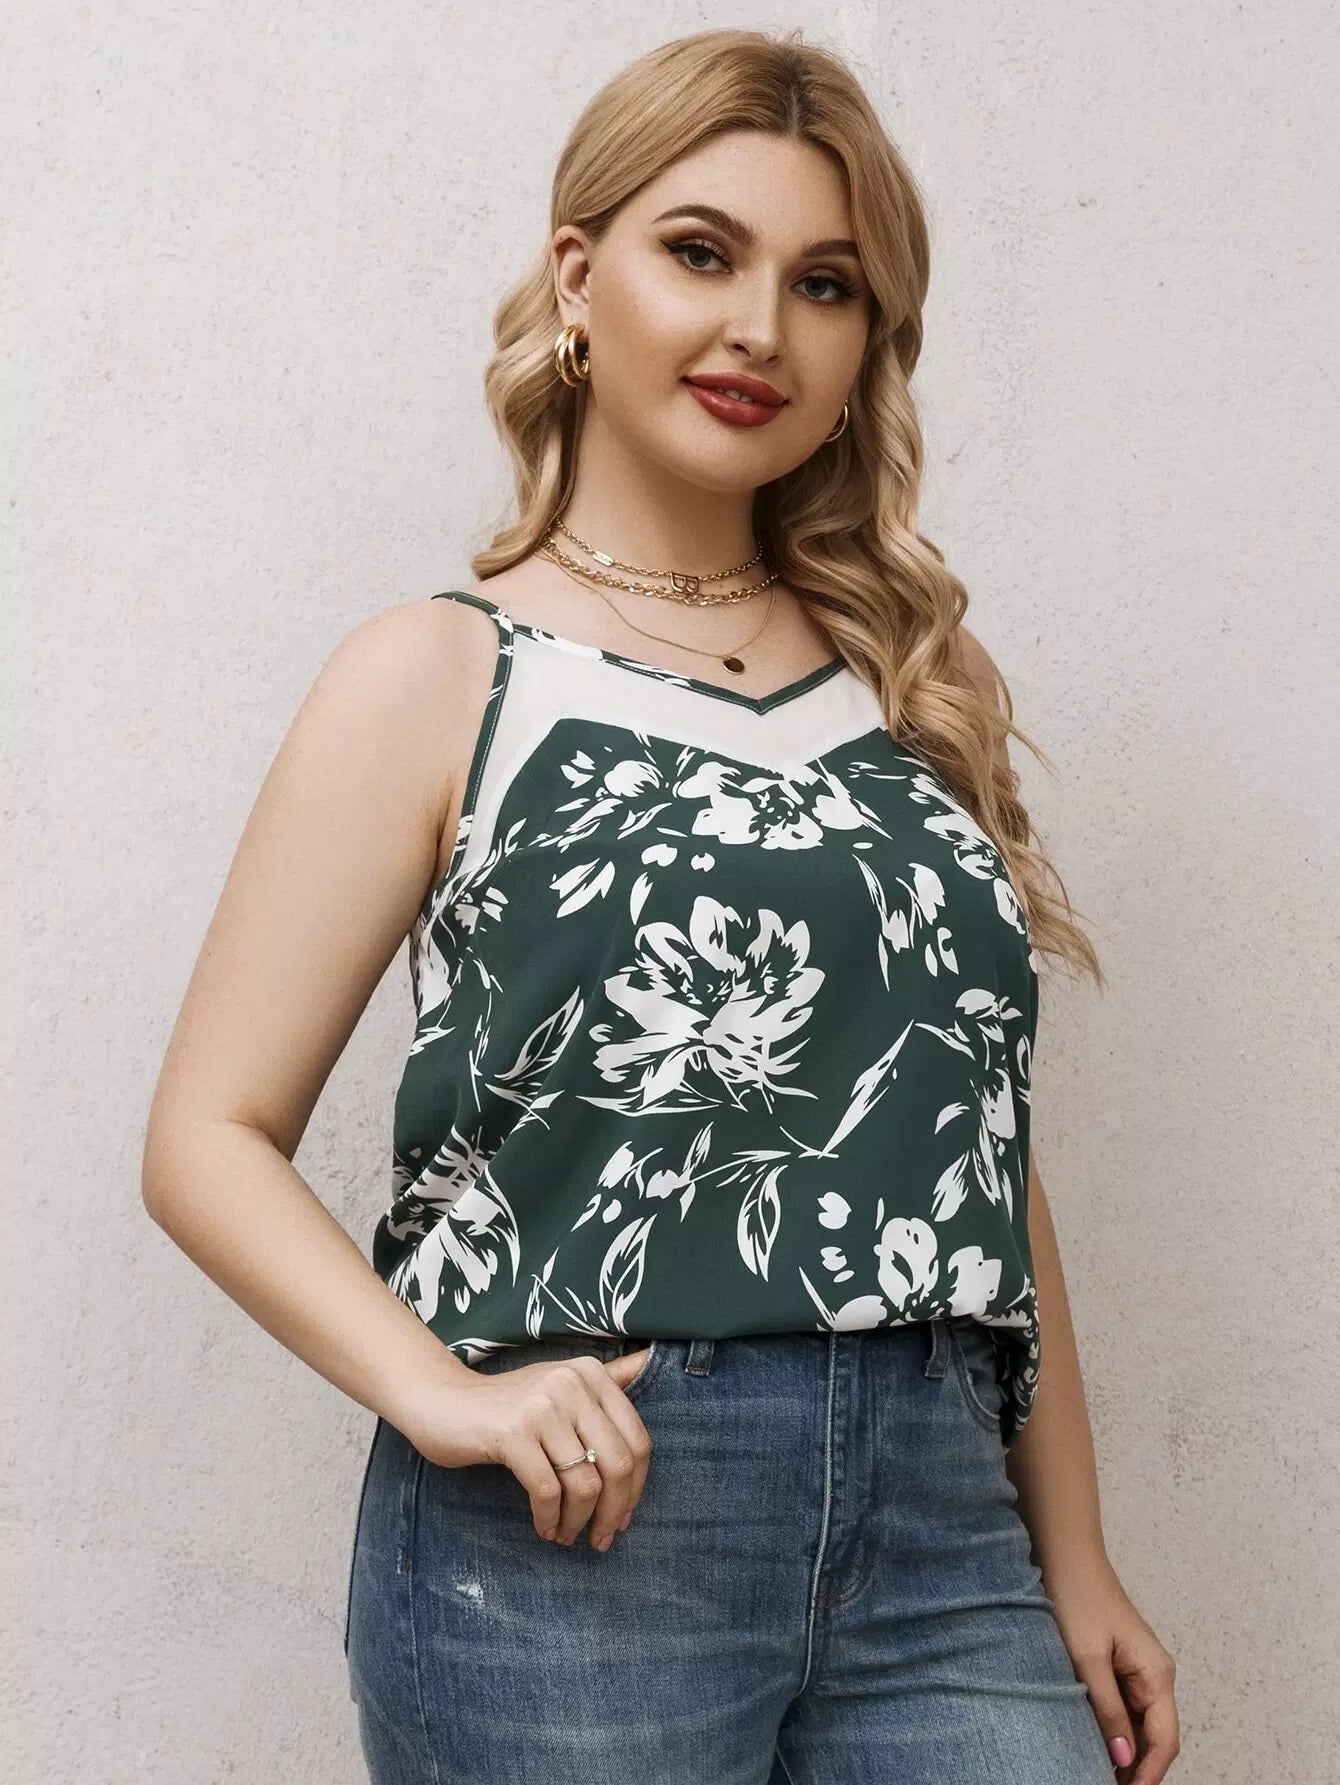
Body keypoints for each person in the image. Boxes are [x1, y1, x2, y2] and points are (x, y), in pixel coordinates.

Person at [141, 26, 1180, 1785]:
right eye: (702, 252)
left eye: (824, 284)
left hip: (943, 1533)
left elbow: (976, 1151)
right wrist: (444, 1390)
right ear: (578, 280)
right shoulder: (440, 674)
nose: (761, 326)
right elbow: (203, 1138)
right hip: (578, 1540)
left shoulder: (904, 690)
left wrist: (1069, 1554)